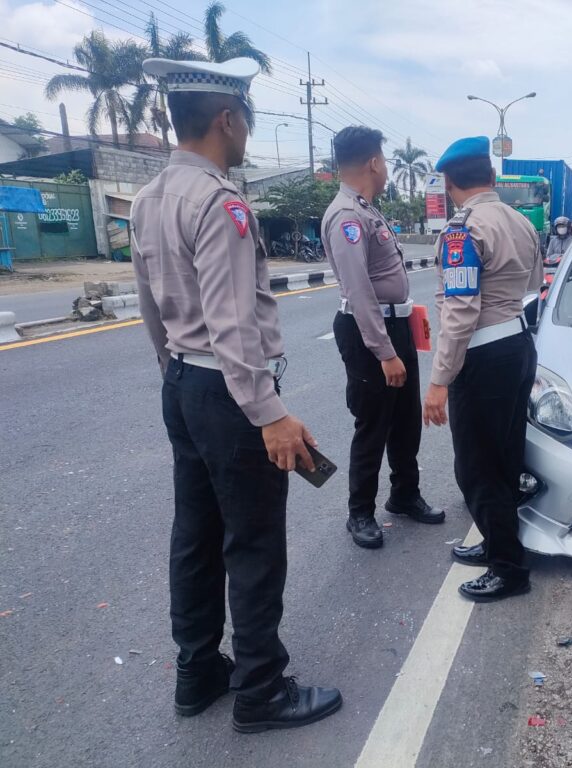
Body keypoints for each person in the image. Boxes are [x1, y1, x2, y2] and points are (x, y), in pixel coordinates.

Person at [131, 57, 341, 733]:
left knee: (194, 534)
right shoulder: (221, 204)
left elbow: (152, 311)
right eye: (246, 117)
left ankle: (198, 673)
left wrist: (177, 374)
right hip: (227, 391)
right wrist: (268, 413)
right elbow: (230, 324)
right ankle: (261, 690)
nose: (247, 130)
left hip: (184, 384)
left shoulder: (147, 197)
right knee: (252, 541)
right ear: (227, 119)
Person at [423, 136, 542, 602]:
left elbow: (460, 312)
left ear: (450, 182)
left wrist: (438, 381)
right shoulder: (519, 221)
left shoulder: (462, 231)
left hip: (484, 356)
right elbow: (533, 285)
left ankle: (508, 568)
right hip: (516, 345)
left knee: (479, 466)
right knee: (506, 457)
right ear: (492, 178)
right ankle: (498, 542)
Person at [322, 126, 445, 549]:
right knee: (373, 423)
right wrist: (385, 352)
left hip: (395, 325)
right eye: (385, 160)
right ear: (374, 162)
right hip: (368, 331)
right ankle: (360, 512)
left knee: (405, 420)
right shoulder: (347, 217)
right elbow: (359, 293)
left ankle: (404, 494)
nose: (387, 167)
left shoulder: (367, 210)